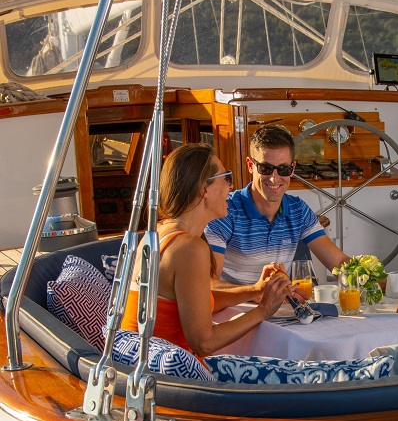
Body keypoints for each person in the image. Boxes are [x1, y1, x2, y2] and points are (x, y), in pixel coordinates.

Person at [122, 143, 297, 357]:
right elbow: (204, 343)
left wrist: (257, 290)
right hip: (171, 377)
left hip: (140, 366)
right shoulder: (189, 248)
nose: (230, 187)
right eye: (226, 178)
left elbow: (198, 302)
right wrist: (264, 310)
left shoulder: (161, 232)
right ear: (204, 188)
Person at [205, 124, 350, 290]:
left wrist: (378, 279)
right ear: (250, 165)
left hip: (280, 310)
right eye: (266, 168)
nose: (274, 179)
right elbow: (208, 282)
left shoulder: (298, 210)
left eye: (283, 169)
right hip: (235, 311)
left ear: (292, 169)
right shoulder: (224, 211)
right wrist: (255, 293)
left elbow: (338, 263)